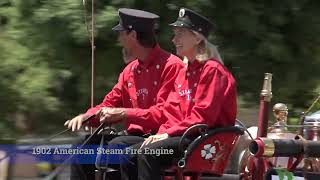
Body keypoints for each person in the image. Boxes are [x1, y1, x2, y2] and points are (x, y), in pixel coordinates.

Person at [110, 7, 237, 180]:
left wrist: (166, 134)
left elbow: (202, 117)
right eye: (174, 33)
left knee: (148, 152)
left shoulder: (212, 70)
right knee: (126, 154)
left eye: (180, 34)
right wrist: (160, 134)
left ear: (197, 37)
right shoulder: (184, 73)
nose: (173, 39)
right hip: (183, 137)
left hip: (199, 140)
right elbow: (170, 111)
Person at [64, 8, 184, 180]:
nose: (119, 39)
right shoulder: (129, 71)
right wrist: (87, 116)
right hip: (133, 137)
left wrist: (124, 114)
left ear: (133, 35)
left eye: (121, 33)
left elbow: (164, 113)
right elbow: (109, 103)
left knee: (117, 146)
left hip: (159, 137)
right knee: (82, 145)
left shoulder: (172, 66)